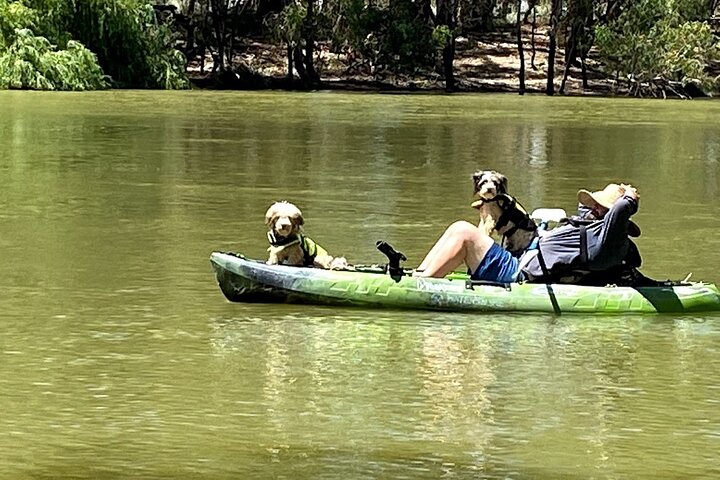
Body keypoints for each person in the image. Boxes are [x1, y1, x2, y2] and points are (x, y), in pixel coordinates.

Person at [413, 183, 639, 284]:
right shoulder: (590, 227)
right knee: (457, 228)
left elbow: (619, 213)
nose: (594, 209)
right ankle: (420, 274)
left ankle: (423, 285)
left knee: (463, 231)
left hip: (517, 274)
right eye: (595, 205)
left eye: (601, 208)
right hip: (519, 261)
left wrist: (629, 198)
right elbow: (592, 213)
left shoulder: (606, 239)